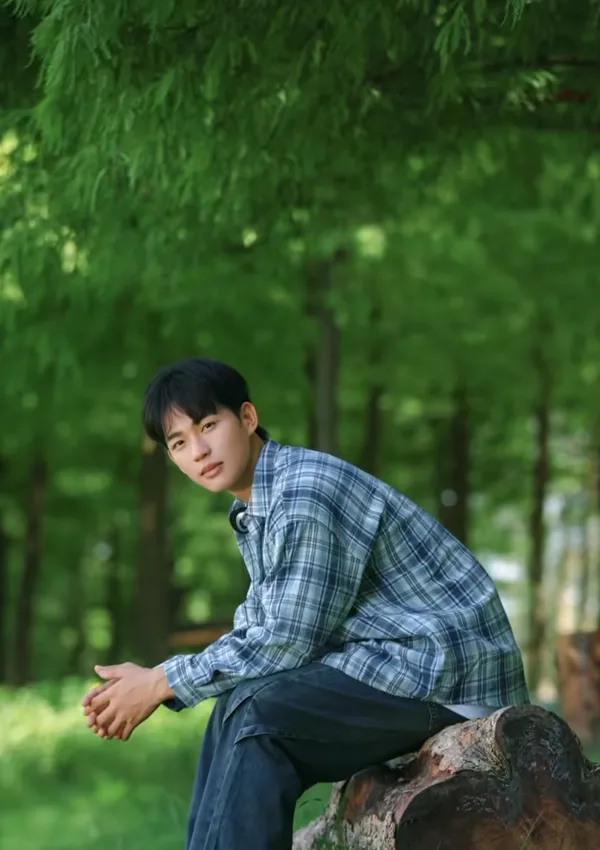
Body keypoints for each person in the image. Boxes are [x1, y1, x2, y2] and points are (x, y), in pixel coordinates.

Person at [82, 357, 530, 850]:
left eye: (209, 425)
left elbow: (287, 641)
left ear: (247, 418)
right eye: (179, 442)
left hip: (444, 676)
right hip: (395, 666)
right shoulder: (259, 506)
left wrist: (162, 681)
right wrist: (158, 680)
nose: (200, 450)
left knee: (258, 719)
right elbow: (260, 629)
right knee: (238, 706)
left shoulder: (303, 494)